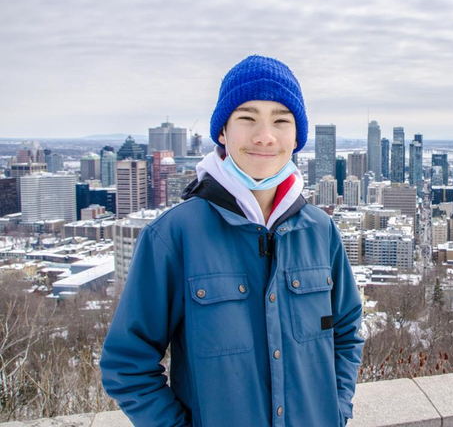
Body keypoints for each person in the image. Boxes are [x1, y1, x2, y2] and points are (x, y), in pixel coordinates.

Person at [101, 55, 364, 426]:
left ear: (296, 137)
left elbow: (348, 331)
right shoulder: (174, 236)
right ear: (223, 131)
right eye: (247, 118)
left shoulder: (321, 231)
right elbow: (126, 364)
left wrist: (336, 411)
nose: (265, 136)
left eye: (281, 120)